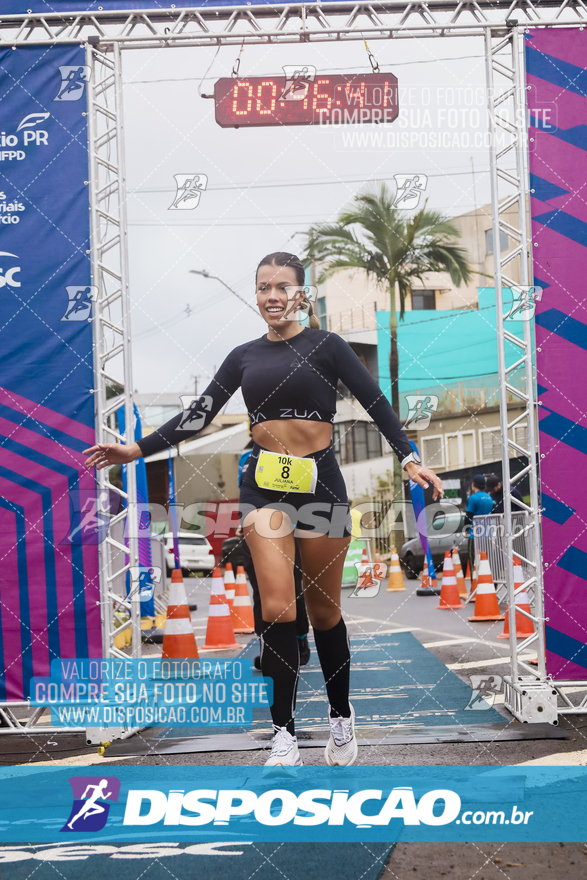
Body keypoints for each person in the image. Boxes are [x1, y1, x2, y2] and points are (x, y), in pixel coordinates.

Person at [83, 251, 443, 768]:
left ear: (301, 293)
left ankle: (341, 718)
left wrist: (408, 458)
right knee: (277, 607)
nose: (271, 295)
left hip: (322, 484)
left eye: (282, 286)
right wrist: (135, 450)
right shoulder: (243, 356)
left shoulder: (329, 346)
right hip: (263, 489)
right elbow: (199, 415)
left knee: (324, 613)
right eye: (262, 287)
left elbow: (375, 403)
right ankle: (284, 734)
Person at [236, 440, 311, 670]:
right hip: (258, 527)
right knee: (261, 589)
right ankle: (266, 645)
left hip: (292, 528)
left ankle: (299, 639)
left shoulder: (298, 450)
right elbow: (245, 491)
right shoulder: (245, 458)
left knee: (292, 588)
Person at [463, 474, 494, 576]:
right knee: (487, 560)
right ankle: (491, 583)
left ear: (473, 484)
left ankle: (474, 586)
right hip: (487, 533)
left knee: (473, 561)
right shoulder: (489, 498)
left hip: (474, 534)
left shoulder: (473, 498)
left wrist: (466, 529)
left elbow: (468, 515)